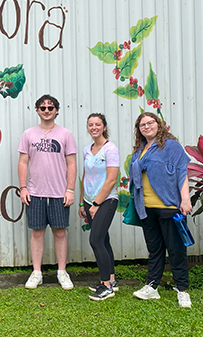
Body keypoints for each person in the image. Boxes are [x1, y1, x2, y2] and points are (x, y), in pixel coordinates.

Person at [129, 112, 193, 308]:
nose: (147, 127)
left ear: (159, 124)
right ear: (138, 129)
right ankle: (152, 287)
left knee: (176, 250)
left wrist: (185, 198)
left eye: (150, 123)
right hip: (146, 207)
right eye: (142, 125)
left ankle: (182, 291)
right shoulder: (140, 149)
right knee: (155, 250)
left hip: (168, 206)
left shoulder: (171, 146)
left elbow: (182, 171)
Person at [17, 94, 77, 290]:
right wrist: (23, 187)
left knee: (60, 232)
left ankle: (62, 272)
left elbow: (72, 163)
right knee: (37, 233)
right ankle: (36, 273)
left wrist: (70, 189)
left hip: (59, 193)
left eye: (50, 107)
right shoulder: (28, 134)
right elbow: (23, 161)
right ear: (37, 111)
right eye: (43, 108)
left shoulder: (65, 134)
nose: (46, 110)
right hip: (35, 192)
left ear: (57, 111)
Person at [78, 113, 120, 301]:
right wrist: (82, 202)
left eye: (97, 124)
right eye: (90, 125)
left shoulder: (110, 149)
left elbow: (111, 180)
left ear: (104, 127)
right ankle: (111, 280)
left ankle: (105, 287)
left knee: (95, 240)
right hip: (88, 200)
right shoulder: (88, 149)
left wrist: (96, 204)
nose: (94, 127)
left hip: (106, 200)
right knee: (103, 240)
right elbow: (85, 176)